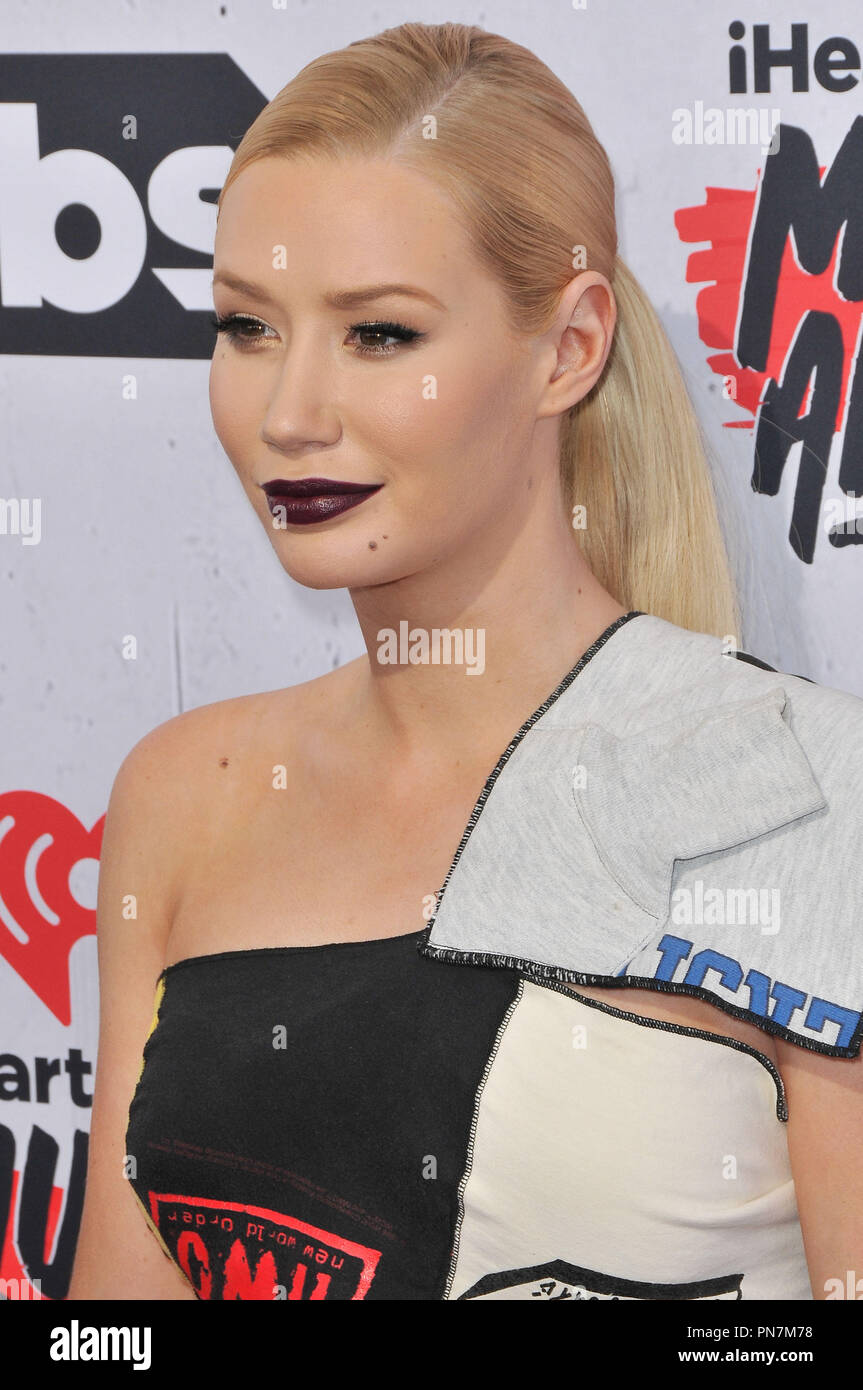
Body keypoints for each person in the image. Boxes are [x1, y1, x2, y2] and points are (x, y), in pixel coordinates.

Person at [68, 21, 863, 1302]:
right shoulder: (182, 795)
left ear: (567, 346)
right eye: (246, 326)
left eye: (378, 333)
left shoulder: (808, 793)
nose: (288, 413)